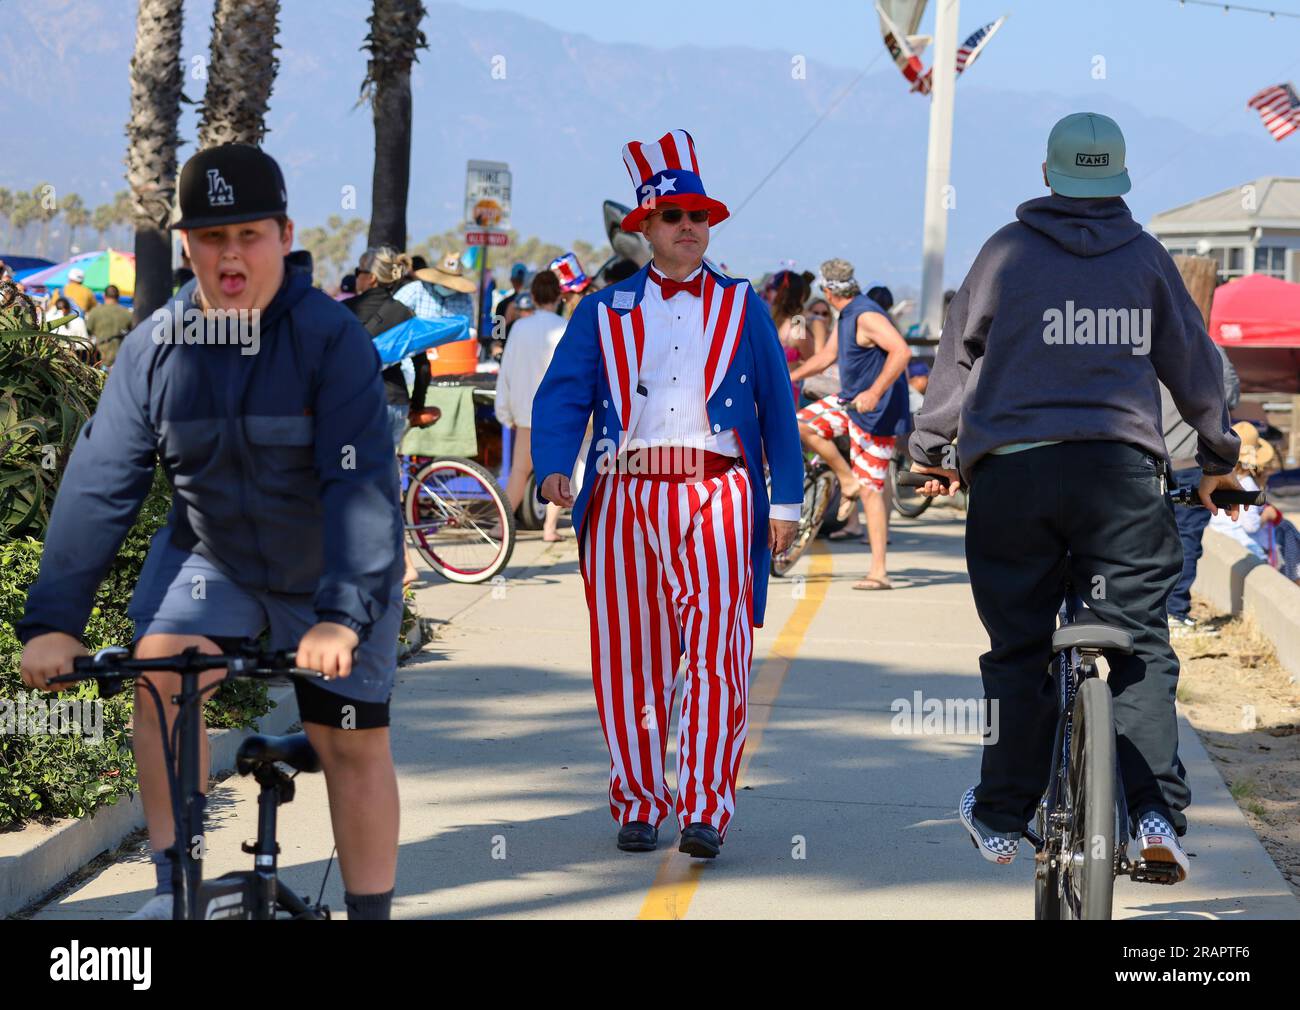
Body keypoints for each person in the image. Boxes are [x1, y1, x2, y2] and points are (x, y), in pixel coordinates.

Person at [17, 143, 404, 920]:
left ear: (285, 235)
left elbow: (357, 488)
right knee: (160, 676)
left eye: (249, 235)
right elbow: (100, 483)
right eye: (211, 239)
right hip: (214, 558)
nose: (230, 257)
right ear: (185, 245)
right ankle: (175, 892)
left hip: (331, 567)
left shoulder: (331, 341)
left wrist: (340, 616)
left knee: (348, 742)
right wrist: (54, 622)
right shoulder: (154, 348)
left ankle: (369, 916)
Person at [908, 112, 1241, 881]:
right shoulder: (1148, 260)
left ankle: (1000, 814)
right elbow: (1193, 368)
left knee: (1019, 648)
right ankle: (1154, 814)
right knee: (1141, 645)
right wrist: (1218, 454)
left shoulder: (1005, 252)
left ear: (1049, 174)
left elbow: (957, 361)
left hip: (1015, 477)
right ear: (1117, 179)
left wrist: (929, 451)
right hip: (1119, 477)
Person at [531, 129, 803, 859]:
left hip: (719, 492)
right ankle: (640, 800)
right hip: (623, 497)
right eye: (675, 216)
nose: (691, 228)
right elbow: (563, 396)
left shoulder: (744, 305)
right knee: (630, 657)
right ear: (644, 228)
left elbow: (778, 406)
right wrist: (554, 463)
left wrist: (785, 503)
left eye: (700, 217)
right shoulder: (603, 309)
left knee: (721, 655)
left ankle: (708, 806)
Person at [789, 260, 911, 588]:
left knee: (872, 491)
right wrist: (791, 376)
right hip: (850, 402)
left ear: (828, 291)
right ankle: (846, 479)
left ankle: (879, 571)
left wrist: (874, 391)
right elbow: (826, 357)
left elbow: (901, 351)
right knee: (800, 423)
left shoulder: (867, 314)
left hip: (876, 411)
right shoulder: (847, 314)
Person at [347, 245, 435, 587]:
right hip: (396, 402)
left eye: (358, 271)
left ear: (369, 277)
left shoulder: (348, 311)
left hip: (361, 404)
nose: (356, 277)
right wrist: (416, 405)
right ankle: (399, 563)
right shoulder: (403, 312)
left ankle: (385, 564)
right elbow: (422, 365)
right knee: (384, 483)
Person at [1163, 347, 1240, 635]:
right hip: (1191, 458)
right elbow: (1230, 395)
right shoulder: (1207, 347)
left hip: (1144, 457)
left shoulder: (1133, 335)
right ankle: (1174, 610)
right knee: (1185, 538)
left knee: (1142, 539)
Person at [496, 270, 567, 541]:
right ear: (559, 296)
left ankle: (501, 525)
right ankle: (549, 529)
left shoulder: (519, 328)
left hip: (526, 412)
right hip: (557, 412)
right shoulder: (564, 326)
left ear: (533, 296)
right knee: (558, 472)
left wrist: (504, 410)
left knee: (519, 472)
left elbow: (507, 370)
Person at [84, 283, 134, 370]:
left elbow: (88, 332)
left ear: (104, 296)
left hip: (101, 358)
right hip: (121, 359)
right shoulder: (127, 313)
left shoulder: (95, 312)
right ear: (118, 296)